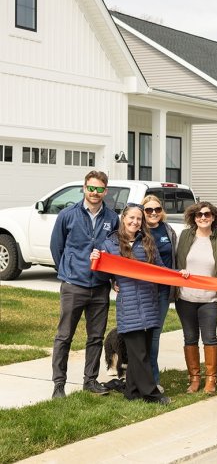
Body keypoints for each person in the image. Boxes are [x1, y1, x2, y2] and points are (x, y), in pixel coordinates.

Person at [90, 203, 170, 404]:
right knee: (139, 353)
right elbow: (102, 274)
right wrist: (97, 261)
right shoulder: (110, 244)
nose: (135, 222)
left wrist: (180, 275)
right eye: (131, 218)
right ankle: (152, 394)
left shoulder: (147, 242)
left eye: (138, 219)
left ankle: (132, 391)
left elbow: (160, 269)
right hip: (129, 307)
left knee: (138, 354)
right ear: (123, 218)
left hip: (149, 304)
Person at [50, 170, 119, 399]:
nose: (94, 192)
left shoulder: (112, 218)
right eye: (91, 188)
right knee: (64, 336)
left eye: (99, 189)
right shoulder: (67, 215)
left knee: (96, 337)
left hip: (100, 287)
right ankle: (59, 384)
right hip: (74, 285)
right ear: (84, 188)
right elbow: (56, 247)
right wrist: (69, 270)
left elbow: (114, 250)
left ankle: (90, 380)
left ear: (105, 191)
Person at [175, 201, 217, 394]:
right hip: (185, 297)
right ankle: (194, 378)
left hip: (209, 299)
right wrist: (180, 272)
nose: (202, 218)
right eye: (198, 215)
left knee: (210, 338)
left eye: (206, 214)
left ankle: (211, 379)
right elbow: (178, 261)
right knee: (190, 338)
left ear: (213, 217)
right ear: (193, 218)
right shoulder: (186, 236)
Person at [141, 194, 177, 390]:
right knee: (140, 335)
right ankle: (137, 376)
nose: (153, 213)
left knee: (154, 336)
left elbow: (174, 260)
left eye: (157, 209)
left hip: (162, 292)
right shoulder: (137, 230)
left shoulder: (169, 231)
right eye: (149, 210)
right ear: (143, 212)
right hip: (142, 292)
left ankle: (153, 380)